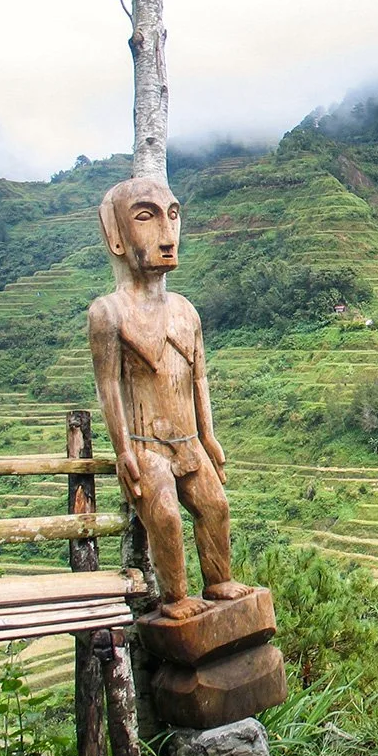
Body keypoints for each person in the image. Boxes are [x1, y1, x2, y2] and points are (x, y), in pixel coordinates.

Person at [89, 177, 252, 620]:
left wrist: (209, 435)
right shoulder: (109, 313)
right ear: (116, 236)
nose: (167, 233)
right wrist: (124, 450)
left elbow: (199, 379)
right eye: (147, 217)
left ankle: (218, 580)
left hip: (189, 441)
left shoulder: (185, 310)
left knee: (215, 506)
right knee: (165, 516)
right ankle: (176, 596)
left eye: (173, 216)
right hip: (147, 445)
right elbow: (109, 388)